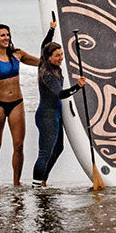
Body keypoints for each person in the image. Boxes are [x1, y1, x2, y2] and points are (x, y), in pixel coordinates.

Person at [0, 23, 39, 185]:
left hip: (16, 103)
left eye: (8, 34)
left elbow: (40, 62)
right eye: (2, 35)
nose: (6, 38)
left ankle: (16, 183)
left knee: (18, 146)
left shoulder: (17, 54)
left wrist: (56, 58)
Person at [32, 18, 86, 186]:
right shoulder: (47, 73)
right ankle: (36, 184)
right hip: (47, 116)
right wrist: (77, 87)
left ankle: (43, 180)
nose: (61, 58)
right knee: (45, 153)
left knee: (58, 148)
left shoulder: (47, 63)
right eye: (57, 56)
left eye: (61, 54)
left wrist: (51, 30)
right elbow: (60, 94)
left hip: (54, 115)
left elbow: (44, 45)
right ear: (49, 58)